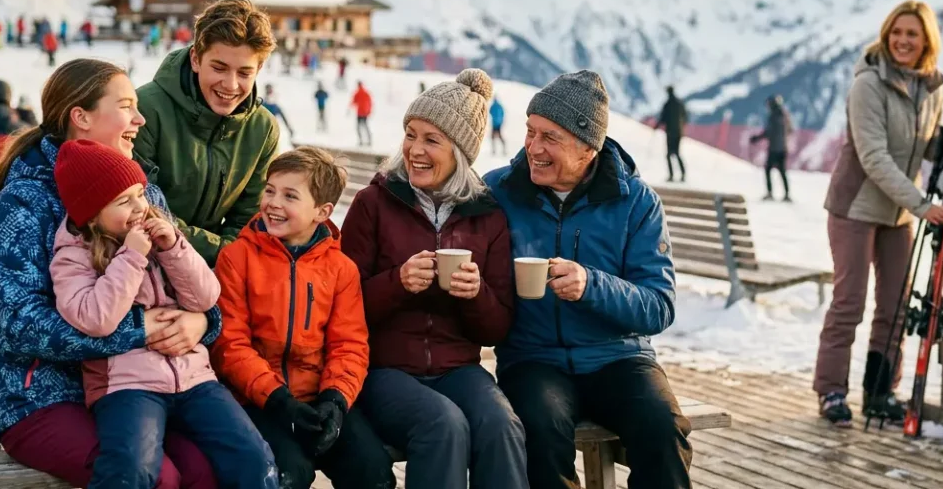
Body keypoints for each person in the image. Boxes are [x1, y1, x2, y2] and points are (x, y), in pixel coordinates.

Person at [0, 59, 223, 488]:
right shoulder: (25, 201)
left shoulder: (144, 190)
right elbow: (22, 321)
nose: (140, 119)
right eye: (126, 106)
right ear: (81, 117)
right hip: (46, 393)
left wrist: (203, 321)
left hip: (145, 385)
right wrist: (137, 330)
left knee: (207, 469)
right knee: (158, 478)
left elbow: (183, 279)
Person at [484, 70, 690, 489]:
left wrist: (591, 285)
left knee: (663, 430)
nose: (533, 148)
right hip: (533, 359)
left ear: (587, 148)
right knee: (538, 431)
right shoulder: (498, 192)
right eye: (530, 131)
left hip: (618, 358)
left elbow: (659, 305)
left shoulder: (635, 201)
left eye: (550, 138)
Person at [49, 140, 278, 488]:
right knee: (132, 467)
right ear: (92, 213)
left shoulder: (159, 236)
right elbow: (95, 319)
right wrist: (131, 258)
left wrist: (174, 247)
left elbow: (206, 297)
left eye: (140, 194)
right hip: (126, 386)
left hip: (195, 378)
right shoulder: (73, 256)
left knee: (253, 456)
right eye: (123, 201)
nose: (139, 207)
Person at [342, 69, 524, 489]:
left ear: (460, 152)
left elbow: (497, 328)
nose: (414, 150)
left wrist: (476, 295)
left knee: (502, 425)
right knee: (444, 425)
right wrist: (397, 282)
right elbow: (341, 306)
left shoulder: (487, 216)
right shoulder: (374, 203)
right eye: (410, 134)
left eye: (431, 139)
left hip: (457, 368)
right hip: (382, 370)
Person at [212, 146, 395, 489]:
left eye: (290, 195)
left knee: (373, 471)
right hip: (257, 400)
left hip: (316, 400)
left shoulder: (340, 269)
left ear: (321, 211)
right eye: (270, 190)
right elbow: (230, 345)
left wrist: (335, 401)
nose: (273, 203)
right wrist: (279, 400)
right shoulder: (237, 258)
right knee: (287, 473)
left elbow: (349, 345)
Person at [817, 0, 943, 428]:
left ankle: (880, 391)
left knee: (893, 306)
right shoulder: (868, 85)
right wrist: (923, 205)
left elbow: (923, 146)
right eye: (897, 32)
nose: (903, 41)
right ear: (886, 36)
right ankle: (832, 390)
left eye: (912, 34)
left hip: (898, 213)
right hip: (855, 206)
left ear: (926, 40)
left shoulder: (931, 89)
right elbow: (873, 156)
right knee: (849, 301)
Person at [133, 0, 280, 265]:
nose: (231, 84)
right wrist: (221, 251)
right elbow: (137, 211)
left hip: (217, 270)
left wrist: (221, 260)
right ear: (196, 58)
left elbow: (249, 221)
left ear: (259, 69)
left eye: (245, 73)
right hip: (142, 260)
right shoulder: (145, 109)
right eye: (219, 68)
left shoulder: (263, 129)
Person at [750, 95, 794, 202]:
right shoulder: (785, 116)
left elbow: (769, 132)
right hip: (783, 148)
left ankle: (770, 193)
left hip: (774, 148)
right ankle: (787, 194)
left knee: (768, 170)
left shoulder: (774, 116)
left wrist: (757, 138)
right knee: (782, 172)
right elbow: (790, 130)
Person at [653, 86, 687, 182]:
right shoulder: (679, 103)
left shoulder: (668, 104)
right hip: (679, 132)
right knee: (677, 153)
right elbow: (685, 116)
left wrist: (656, 126)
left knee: (669, 154)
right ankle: (683, 174)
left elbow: (663, 118)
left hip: (670, 133)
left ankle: (671, 175)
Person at [351, 82, 373, 147]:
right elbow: (370, 102)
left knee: (359, 127)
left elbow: (353, 102)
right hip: (365, 113)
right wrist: (369, 111)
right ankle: (369, 140)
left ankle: (360, 140)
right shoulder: (366, 93)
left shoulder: (357, 93)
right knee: (365, 126)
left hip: (360, 113)